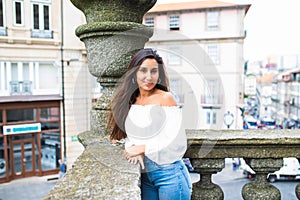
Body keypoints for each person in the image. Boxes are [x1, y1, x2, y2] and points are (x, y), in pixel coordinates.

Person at [108, 48, 192, 200]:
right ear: (134, 73)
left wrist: (141, 149)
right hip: (146, 176)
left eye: (154, 71)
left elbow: (177, 143)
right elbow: (131, 138)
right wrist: (130, 148)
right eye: (143, 71)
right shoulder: (131, 101)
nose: (149, 77)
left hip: (170, 175)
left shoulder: (165, 99)